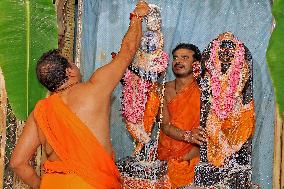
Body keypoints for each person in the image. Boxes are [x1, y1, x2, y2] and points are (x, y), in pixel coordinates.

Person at [9, 1, 149, 189]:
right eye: (72, 63)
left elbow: (17, 163)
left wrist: (43, 185)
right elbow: (128, 52)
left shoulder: (40, 112)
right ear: (69, 72)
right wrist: (138, 17)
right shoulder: (95, 88)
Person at [193, 32, 255, 188]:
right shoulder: (210, 68)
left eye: (230, 48)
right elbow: (206, 90)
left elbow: (238, 93)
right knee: (212, 128)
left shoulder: (242, 68)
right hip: (216, 109)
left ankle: (229, 160)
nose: (226, 52)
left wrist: (229, 103)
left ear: (236, 52)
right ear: (216, 50)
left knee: (239, 127)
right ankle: (226, 157)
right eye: (222, 48)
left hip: (236, 111)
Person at [157, 43, 206, 188]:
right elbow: (164, 125)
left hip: (192, 155)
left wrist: (194, 148)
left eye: (185, 57)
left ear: (196, 64)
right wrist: (187, 136)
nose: (178, 61)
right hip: (165, 155)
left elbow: (209, 127)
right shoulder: (163, 89)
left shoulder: (205, 90)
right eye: (175, 58)